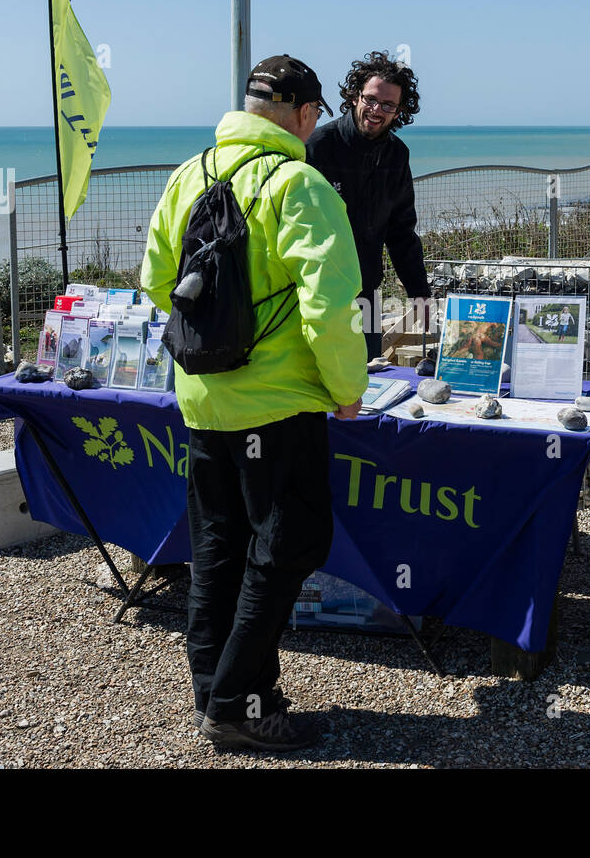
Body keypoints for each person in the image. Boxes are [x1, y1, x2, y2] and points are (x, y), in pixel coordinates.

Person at [140, 54, 369, 752]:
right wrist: (347, 388)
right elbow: (332, 308)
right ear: (303, 114)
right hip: (279, 406)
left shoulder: (191, 174)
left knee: (217, 552)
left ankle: (226, 694)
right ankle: (235, 705)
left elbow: (155, 281)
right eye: (317, 115)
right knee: (290, 543)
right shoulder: (298, 184)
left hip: (205, 402)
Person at [306, 50, 430, 360]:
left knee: (368, 381)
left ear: (399, 111)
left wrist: (419, 294)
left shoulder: (397, 155)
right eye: (370, 99)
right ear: (354, 96)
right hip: (315, 295)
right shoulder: (317, 147)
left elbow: (402, 233)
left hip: (367, 295)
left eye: (388, 105)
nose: (376, 110)